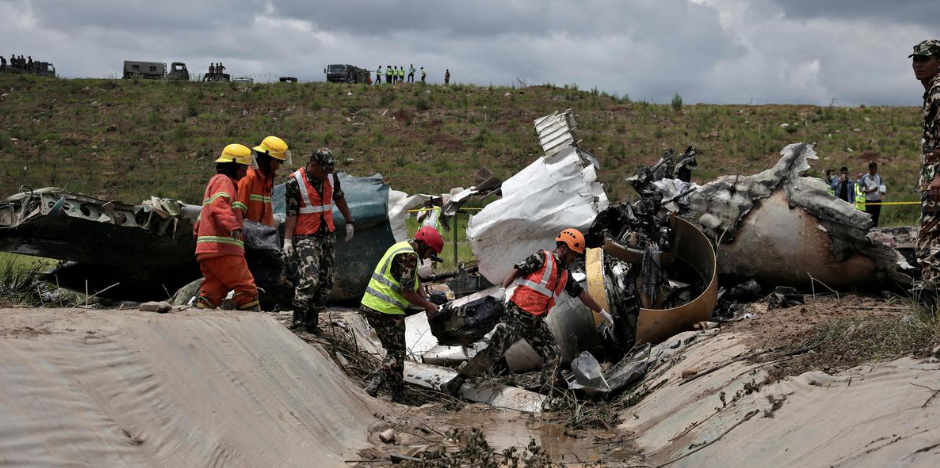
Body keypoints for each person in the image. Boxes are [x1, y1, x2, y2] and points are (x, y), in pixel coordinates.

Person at [441, 229, 615, 396]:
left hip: (535, 322)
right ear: (563, 249)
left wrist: (602, 312)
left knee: (553, 353)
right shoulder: (542, 258)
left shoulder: (565, 276)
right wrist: (502, 289)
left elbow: (582, 295)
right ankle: (457, 381)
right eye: (574, 253)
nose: (575, 258)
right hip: (515, 316)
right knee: (493, 353)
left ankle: (547, 392)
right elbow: (517, 270)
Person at [361, 226, 444, 403]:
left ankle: (398, 395)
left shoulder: (401, 247)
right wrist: (428, 305)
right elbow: (407, 293)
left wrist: (425, 297)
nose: (430, 256)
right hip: (386, 309)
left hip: (371, 304)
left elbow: (414, 279)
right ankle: (373, 386)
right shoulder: (410, 257)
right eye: (430, 252)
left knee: (395, 351)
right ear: (424, 245)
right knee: (396, 353)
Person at [283, 148, 355, 333]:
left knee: (326, 281)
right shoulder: (294, 181)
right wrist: (287, 241)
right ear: (313, 165)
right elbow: (291, 213)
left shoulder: (331, 176)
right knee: (310, 278)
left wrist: (349, 221)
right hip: (305, 235)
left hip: (326, 234)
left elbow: (339, 198)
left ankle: (311, 322)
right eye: (324, 170)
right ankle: (298, 322)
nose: (326, 175)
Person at [193, 144, 260, 311]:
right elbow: (219, 205)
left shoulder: (214, 183)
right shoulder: (224, 181)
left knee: (213, 290)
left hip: (208, 251)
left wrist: (199, 240)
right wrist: (232, 226)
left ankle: (199, 321)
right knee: (246, 288)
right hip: (223, 250)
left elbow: (203, 217)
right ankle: (254, 330)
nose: (245, 173)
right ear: (234, 165)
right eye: (243, 168)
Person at [912, 39, 940, 292]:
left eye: (925, 59)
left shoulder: (938, 90)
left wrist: (938, 176)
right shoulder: (932, 89)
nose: (918, 65)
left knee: (931, 237)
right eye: (916, 60)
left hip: (937, 178)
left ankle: (933, 293)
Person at [237, 136, 289, 226]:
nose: (277, 167)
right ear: (265, 160)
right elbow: (237, 213)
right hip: (249, 236)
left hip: (262, 236)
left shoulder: (266, 180)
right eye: (275, 163)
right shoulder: (248, 178)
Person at [859, 161, 884, 226]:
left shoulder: (878, 176)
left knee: (876, 218)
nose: (876, 170)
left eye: (876, 168)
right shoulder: (864, 177)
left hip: (877, 200)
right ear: (870, 168)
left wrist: (883, 192)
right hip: (869, 200)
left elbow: (882, 184)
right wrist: (869, 191)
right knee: (869, 218)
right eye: (874, 168)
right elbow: (860, 188)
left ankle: (875, 231)